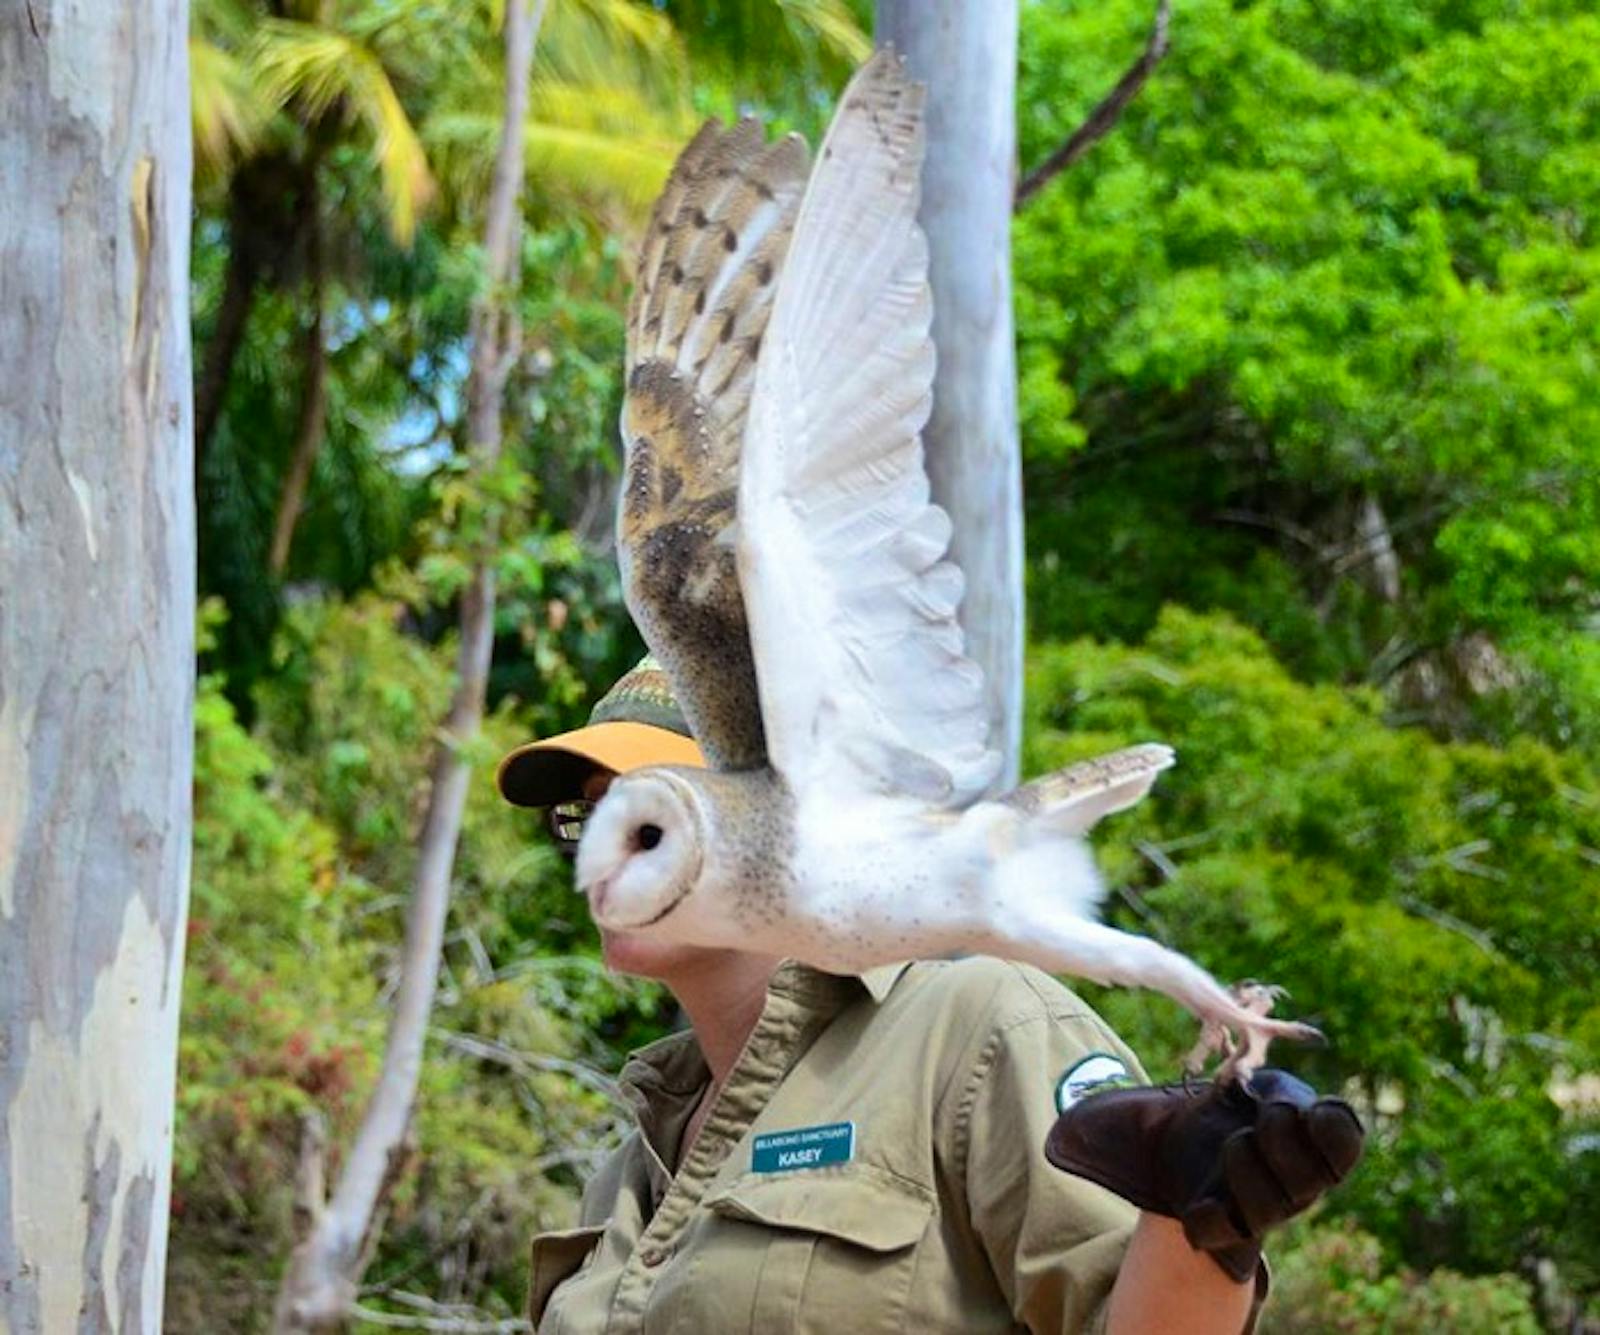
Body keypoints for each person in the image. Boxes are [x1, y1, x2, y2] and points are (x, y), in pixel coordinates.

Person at [497, 659, 1362, 1333]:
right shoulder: (628, 1169)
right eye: (586, 818)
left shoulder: (979, 1030)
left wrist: (1194, 1218)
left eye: (651, 819)